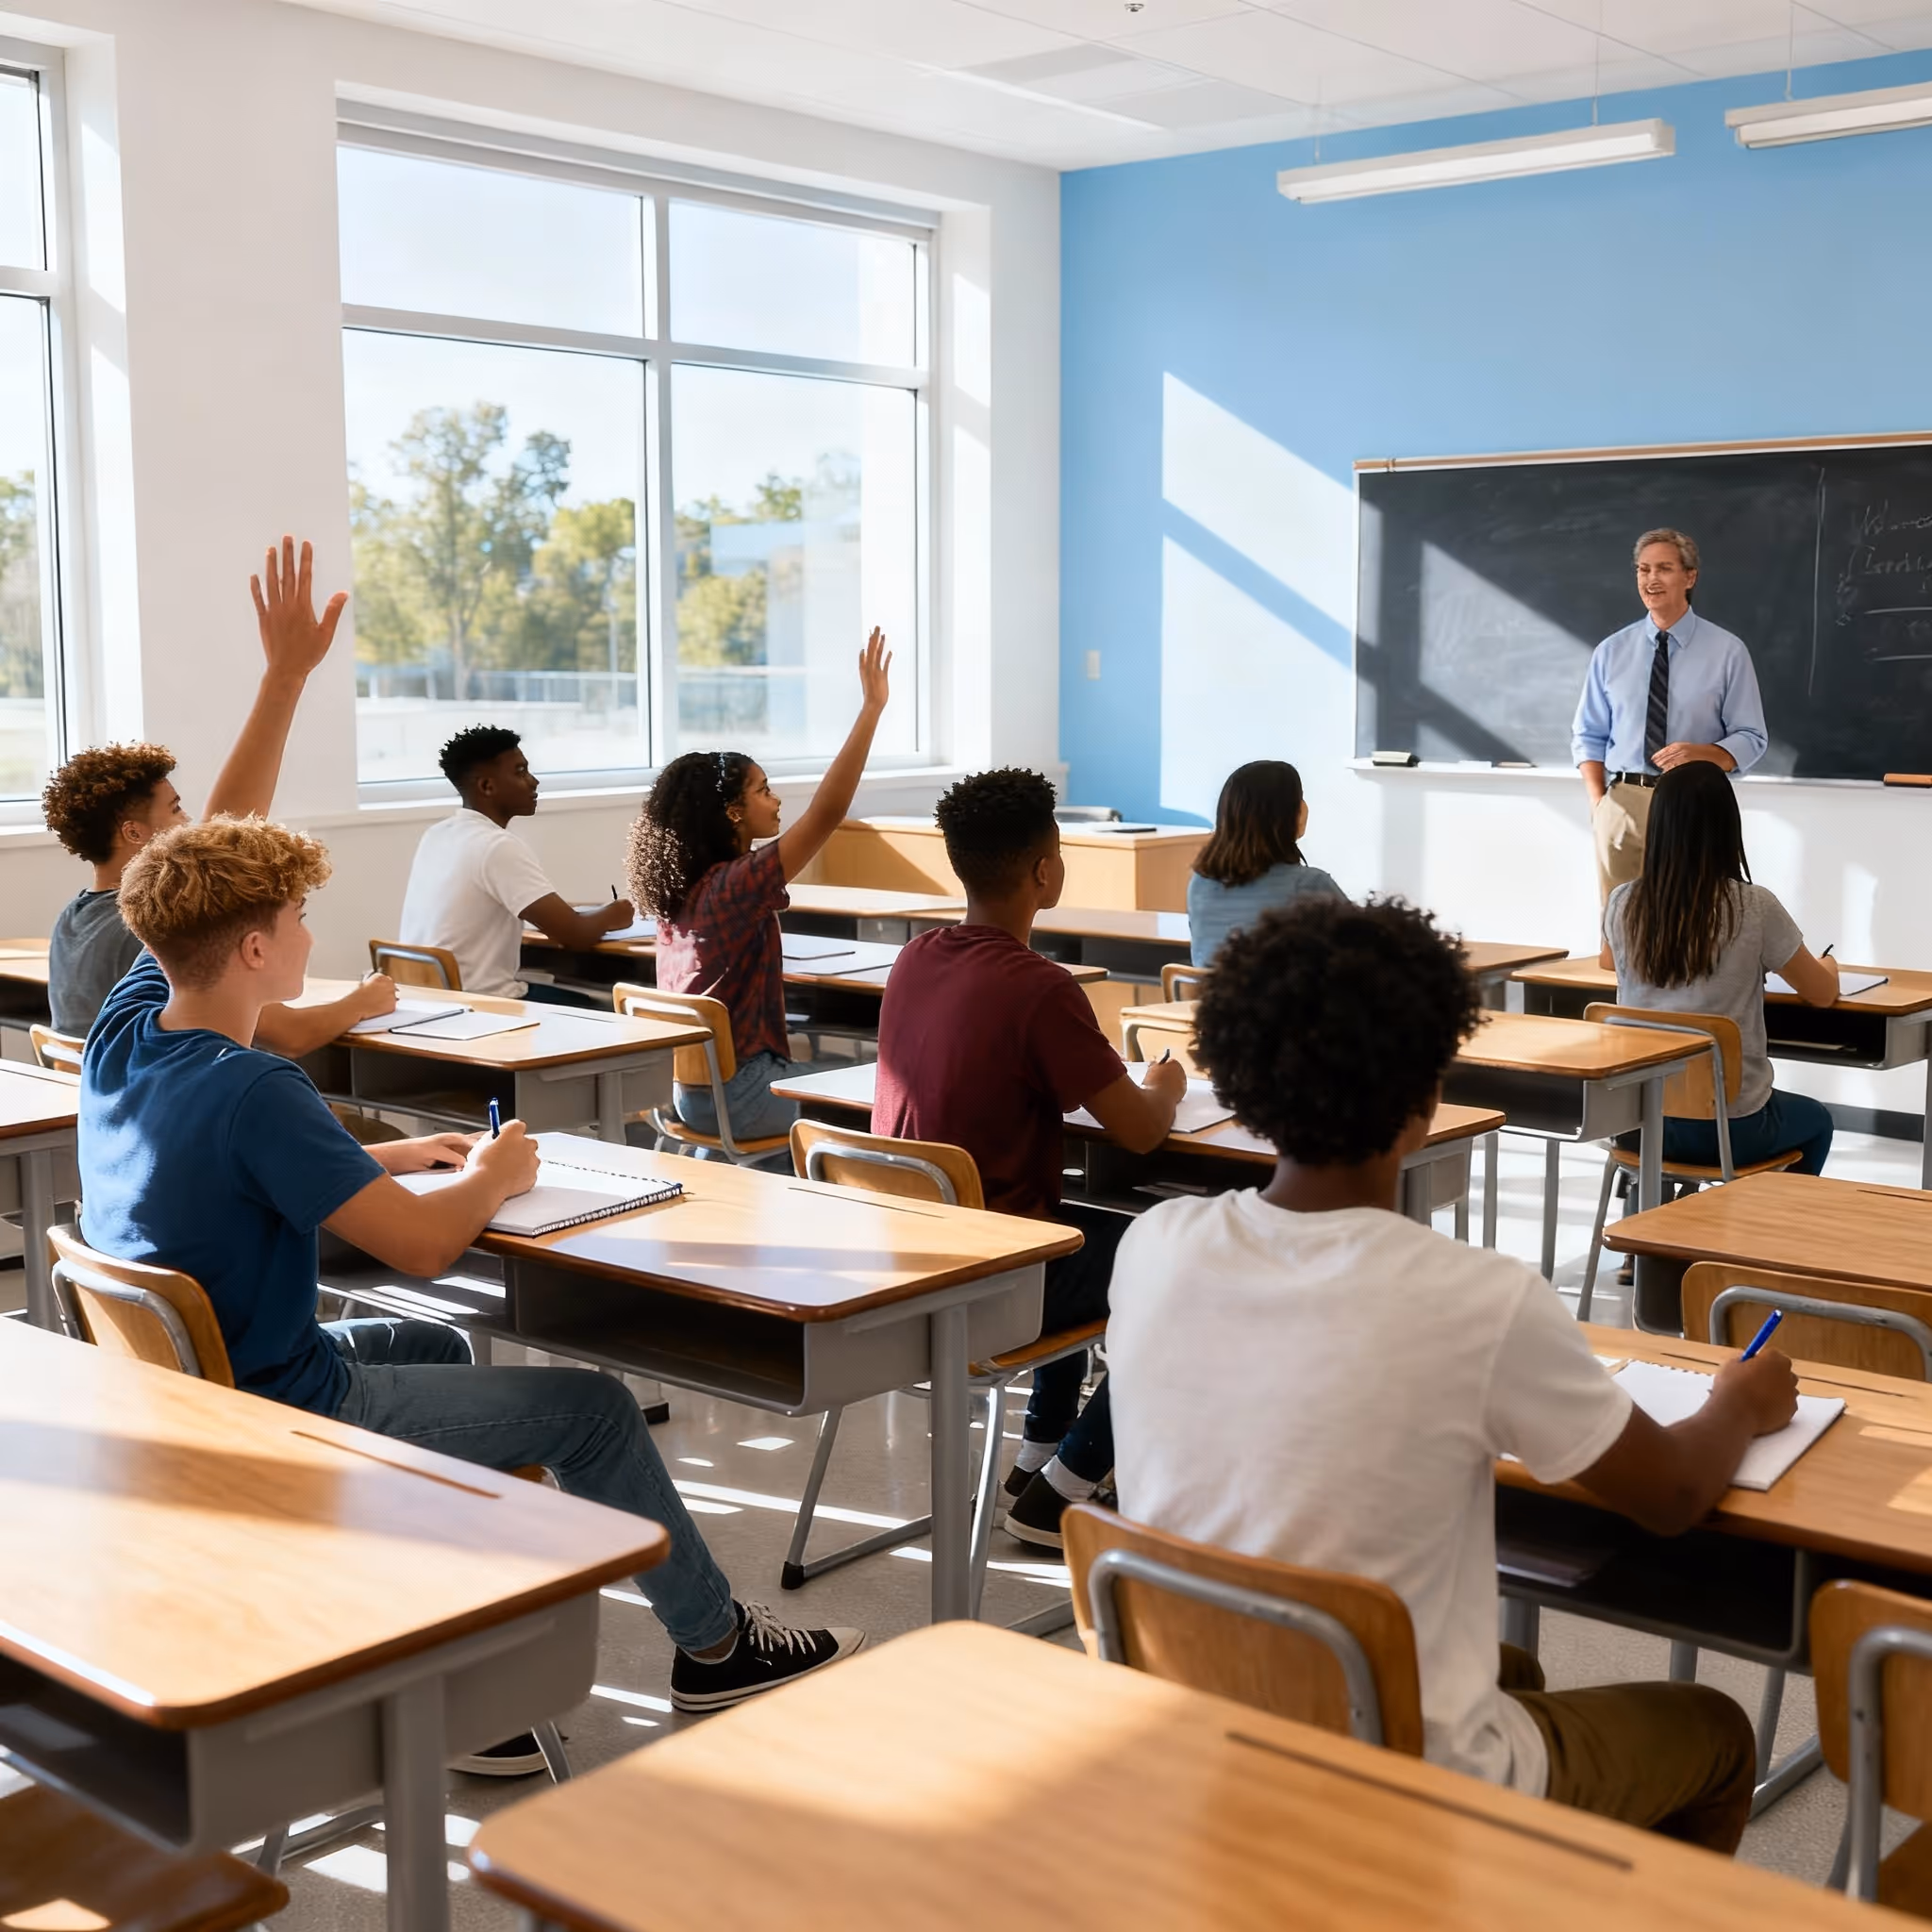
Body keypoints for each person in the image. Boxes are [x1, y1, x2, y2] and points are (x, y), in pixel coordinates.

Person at [80, 813, 861, 1757]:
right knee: (597, 1408)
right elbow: (418, 1248)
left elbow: (248, 1158)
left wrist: (397, 1154)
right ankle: (717, 1647)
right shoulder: (255, 1088)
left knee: (435, 1344)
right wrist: (494, 1175)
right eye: (295, 916)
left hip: (189, 1401)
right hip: (282, 1401)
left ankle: (465, 1662)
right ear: (253, 947)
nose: (310, 933)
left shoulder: (121, 1031)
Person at [1107, 894, 1794, 1852]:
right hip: (1397, 1769)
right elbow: (1674, 1494)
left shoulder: (1152, 1244)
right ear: (1430, 1092)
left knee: (1510, 1663)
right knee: (1715, 1733)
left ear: (1240, 1079)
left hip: (1204, 1713)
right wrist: (1735, 1401)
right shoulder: (1477, 1298)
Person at [874, 768, 1186, 1550]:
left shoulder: (914, 960)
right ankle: (1066, 1489)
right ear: (1045, 870)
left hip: (904, 1261)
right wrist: (1167, 1081)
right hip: (990, 1276)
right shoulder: (1040, 989)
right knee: (1184, 1271)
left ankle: (1039, 1452)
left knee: (1081, 1225)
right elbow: (1142, 1133)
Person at [40, 537, 393, 1050]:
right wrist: (362, 1001)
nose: (191, 825)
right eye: (177, 809)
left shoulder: (75, 919)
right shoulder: (149, 928)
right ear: (134, 832)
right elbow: (224, 839)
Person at [625, 628, 891, 1146]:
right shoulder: (732, 888)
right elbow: (827, 813)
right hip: (744, 1097)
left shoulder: (681, 891)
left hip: (685, 1096)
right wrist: (872, 710)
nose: (776, 800)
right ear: (732, 813)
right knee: (891, 1092)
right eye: (763, 790)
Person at [1600, 760, 1837, 1177]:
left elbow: (1607, 960)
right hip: (1731, 1130)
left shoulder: (1622, 901)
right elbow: (1820, 993)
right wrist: (1829, 965)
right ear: (1728, 828)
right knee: (1817, 1121)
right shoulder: (1753, 906)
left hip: (1635, 1123)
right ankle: (1760, 1238)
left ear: (1658, 826)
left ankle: (1650, 1217)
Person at [1572, 529, 1767, 905]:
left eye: (1664, 568)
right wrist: (1599, 806)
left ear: (1689, 577)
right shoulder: (1611, 652)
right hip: (1624, 804)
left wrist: (1703, 753)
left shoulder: (1728, 651)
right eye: (1643, 570)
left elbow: (1751, 736)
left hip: (1693, 802)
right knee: (1620, 934)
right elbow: (1587, 734)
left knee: (1692, 926)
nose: (1651, 579)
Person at [398, 726, 637, 1004]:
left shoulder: (438, 835)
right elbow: (576, 936)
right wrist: (615, 913)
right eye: (520, 772)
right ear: (487, 786)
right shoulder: (496, 846)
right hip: (483, 1005)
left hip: (427, 1000)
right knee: (609, 1006)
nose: (533, 781)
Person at [1188, 759, 1344, 968]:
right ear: (1292, 814)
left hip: (1212, 998)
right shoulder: (1310, 884)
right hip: (1274, 999)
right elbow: (1372, 945)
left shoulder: (1200, 883)